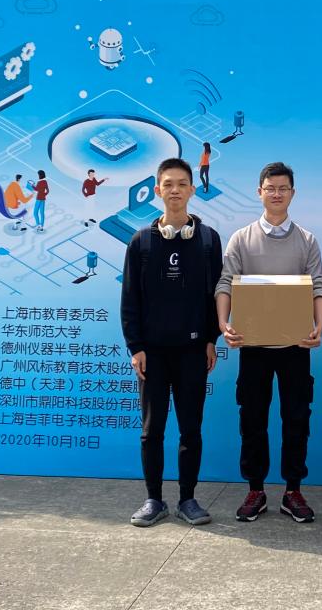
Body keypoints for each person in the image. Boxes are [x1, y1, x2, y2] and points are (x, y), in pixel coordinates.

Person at [216, 162, 322, 524]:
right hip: (253, 346)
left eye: (283, 188)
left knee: (297, 418)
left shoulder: (306, 240)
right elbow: (225, 283)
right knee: (252, 419)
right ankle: (256, 490)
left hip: (295, 346)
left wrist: (318, 325)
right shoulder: (241, 239)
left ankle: (293, 491)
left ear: (292, 193)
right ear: (259, 192)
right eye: (270, 188)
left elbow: (318, 285)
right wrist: (223, 323)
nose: (276, 193)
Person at [120, 158, 223, 527]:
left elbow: (216, 294)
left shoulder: (208, 239)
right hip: (153, 353)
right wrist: (136, 347)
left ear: (193, 190)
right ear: (157, 189)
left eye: (182, 184)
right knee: (152, 430)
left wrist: (211, 339)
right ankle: (153, 499)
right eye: (168, 184)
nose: (175, 190)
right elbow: (130, 298)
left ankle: (187, 499)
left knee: (190, 429)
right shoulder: (142, 241)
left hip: (193, 351)